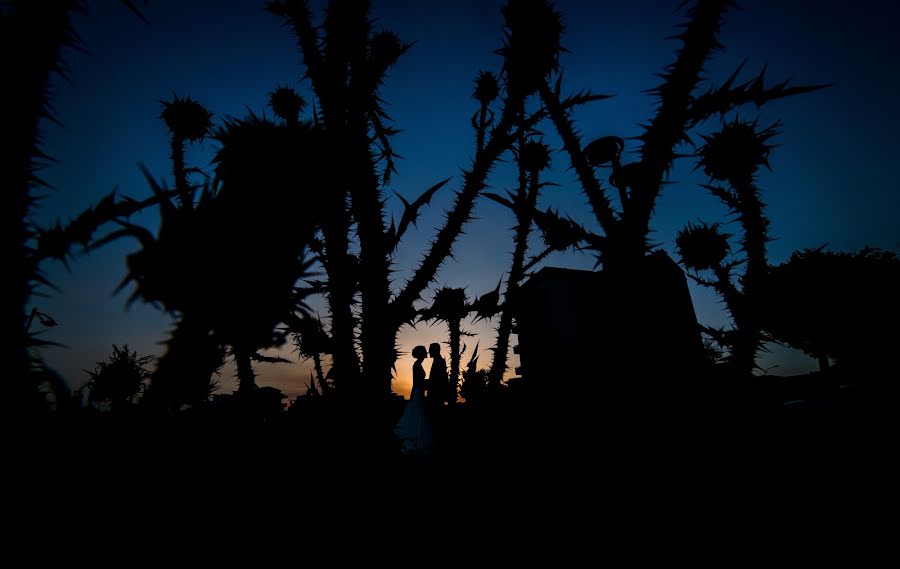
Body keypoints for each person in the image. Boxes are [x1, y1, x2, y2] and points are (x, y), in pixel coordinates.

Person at [394, 345, 434, 456]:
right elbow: (419, 382)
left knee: (418, 415)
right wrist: (430, 383)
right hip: (417, 392)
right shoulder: (417, 365)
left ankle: (416, 438)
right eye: (424, 352)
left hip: (418, 391)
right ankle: (414, 440)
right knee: (416, 414)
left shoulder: (418, 365)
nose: (426, 353)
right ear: (421, 354)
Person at [427, 342, 450, 408]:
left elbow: (439, 379)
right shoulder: (438, 360)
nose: (429, 352)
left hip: (436, 395)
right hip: (436, 394)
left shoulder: (439, 361)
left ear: (435, 350)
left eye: (430, 350)